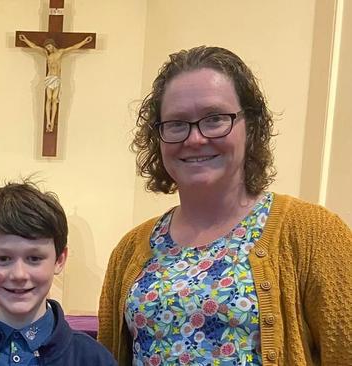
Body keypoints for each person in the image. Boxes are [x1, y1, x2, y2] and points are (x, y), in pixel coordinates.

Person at [98, 46, 352, 365]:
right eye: (176, 123)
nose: (194, 139)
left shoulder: (315, 234)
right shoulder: (131, 250)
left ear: (251, 126)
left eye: (215, 119)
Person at [0, 181, 117, 365]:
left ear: (60, 259)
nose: (19, 274)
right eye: (3, 259)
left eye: (34, 258)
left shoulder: (94, 359)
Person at [18, 34, 93, 132]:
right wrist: (25, 40)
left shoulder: (60, 53)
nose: (48, 49)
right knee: (48, 99)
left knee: (54, 99)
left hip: (56, 78)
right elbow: (34, 46)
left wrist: (84, 41)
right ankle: (48, 121)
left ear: (52, 45)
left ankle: (52, 121)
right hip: (49, 78)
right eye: (46, 47)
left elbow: (73, 47)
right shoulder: (46, 54)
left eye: (48, 47)